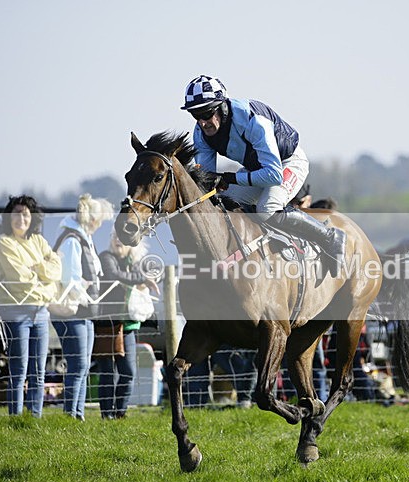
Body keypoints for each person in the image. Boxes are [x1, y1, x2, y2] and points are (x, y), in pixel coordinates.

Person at [180, 75, 345, 276]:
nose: (202, 122)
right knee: (223, 204)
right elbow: (205, 181)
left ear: (222, 107)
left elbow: (273, 175)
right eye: (195, 115)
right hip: (256, 169)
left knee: (267, 208)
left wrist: (230, 178)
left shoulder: (252, 119)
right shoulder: (201, 133)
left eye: (207, 113)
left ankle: (329, 236)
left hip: (286, 164)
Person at [0, 195, 61, 417]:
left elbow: (57, 270)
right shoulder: (3, 242)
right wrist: (44, 280)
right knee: (19, 370)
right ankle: (16, 417)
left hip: (41, 312)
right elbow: (20, 279)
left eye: (26, 214)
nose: (21, 218)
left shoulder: (39, 241)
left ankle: (34, 417)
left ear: (32, 218)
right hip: (16, 312)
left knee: (39, 371)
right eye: (17, 213)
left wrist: (37, 268)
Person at [51, 194, 113, 421]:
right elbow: (70, 278)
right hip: (73, 310)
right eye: (100, 221)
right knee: (78, 364)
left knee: (84, 365)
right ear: (93, 220)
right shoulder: (72, 240)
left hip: (85, 311)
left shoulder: (82, 238)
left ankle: (78, 413)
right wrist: (85, 291)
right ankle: (71, 413)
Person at [94, 230, 158, 419]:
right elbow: (114, 275)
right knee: (107, 372)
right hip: (107, 323)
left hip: (128, 326)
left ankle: (120, 412)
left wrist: (143, 278)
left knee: (128, 372)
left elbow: (146, 275)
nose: (117, 240)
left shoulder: (135, 263)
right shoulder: (106, 257)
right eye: (114, 236)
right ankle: (106, 415)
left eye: (121, 238)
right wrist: (142, 279)